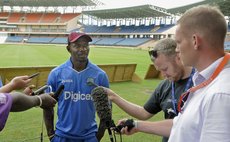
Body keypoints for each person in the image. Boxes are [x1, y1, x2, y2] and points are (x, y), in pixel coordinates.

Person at [118, 5, 230, 142]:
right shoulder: (204, 81)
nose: (176, 50)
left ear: (195, 41)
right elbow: (181, 125)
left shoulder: (220, 94)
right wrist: (137, 125)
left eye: (178, 42)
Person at [104, 38, 194, 142]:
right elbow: (143, 113)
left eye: (165, 69)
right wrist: (113, 97)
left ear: (178, 57)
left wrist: (138, 125)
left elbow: (185, 126)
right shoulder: (165, 85)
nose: (164, 75)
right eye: (160, 71)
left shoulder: (201, 83)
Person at [43, 32, 110, 142]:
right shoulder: (56, 74)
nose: (83, 49)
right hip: (62, 136)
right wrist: (51, 134)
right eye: (77, 45)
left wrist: (99, 135)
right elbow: (47, 106)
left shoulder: (100, 75)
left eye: (85, 45)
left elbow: (107, 108)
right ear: (68, 48)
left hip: (90, 137)